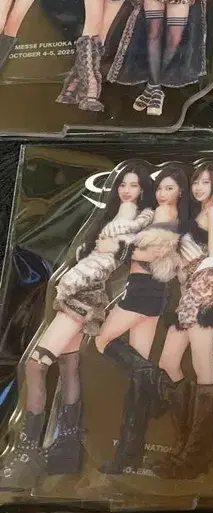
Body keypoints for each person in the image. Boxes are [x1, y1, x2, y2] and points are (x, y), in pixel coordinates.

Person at [0, 163, 154, 490]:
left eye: (134, 185)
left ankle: (28, 451)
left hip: (81, 296)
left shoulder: (131, 218)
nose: (126, 190)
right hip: (86, 295)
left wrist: (79, 275)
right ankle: (66, 447)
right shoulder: (122, 216)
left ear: (143, 190)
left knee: (35, 364)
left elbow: (107, 260)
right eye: (123, 184)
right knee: (68, 365)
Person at [93, 165, 192, 475]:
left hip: (143, 291)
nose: (162, 194)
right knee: (137, 375)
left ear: (181, 192)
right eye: (160, 188)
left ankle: (156, 379)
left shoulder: (165, 215)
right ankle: (128, 455)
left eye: (169, 188)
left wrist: (125, 248)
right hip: (151, 292)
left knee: (102, 339)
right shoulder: (168, 215)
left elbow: (153, 254)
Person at [153, 163, 213, 480]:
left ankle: (197, 453)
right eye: (196, 181)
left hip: (205, 287)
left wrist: (204, 295)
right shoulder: (191, 216)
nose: (199, 187)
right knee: (168, 361)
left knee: (202, 364)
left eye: (206, 182)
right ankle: (186, 443)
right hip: (187, 292)